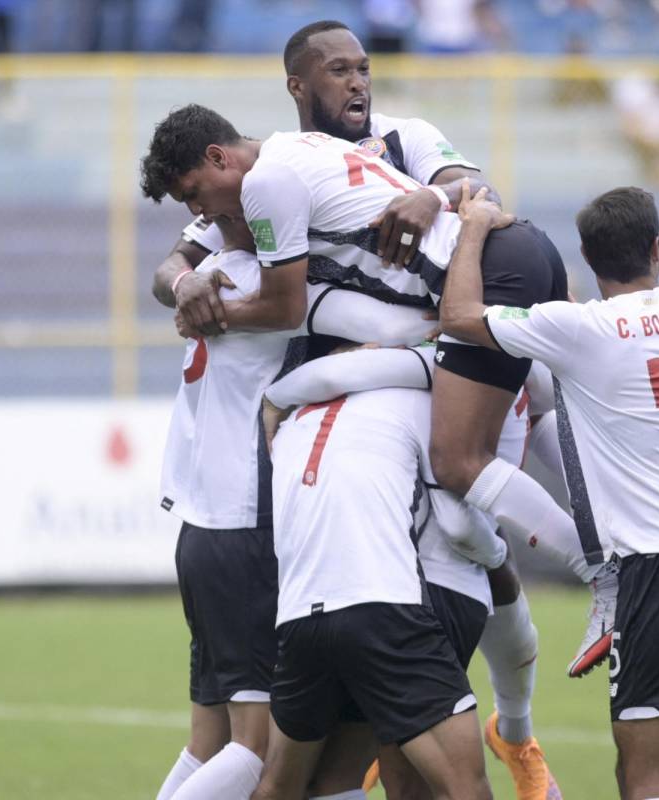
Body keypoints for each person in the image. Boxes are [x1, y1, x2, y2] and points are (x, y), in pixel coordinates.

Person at [141, 34, 574, 787]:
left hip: (434, 327)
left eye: (363, 69)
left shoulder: (399, 140)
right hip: (335, 438)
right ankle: (560, 625)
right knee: (464, 516)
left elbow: (486, 201)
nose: (357, 84)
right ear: (297, 86)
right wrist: (185, 286)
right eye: (339, 71)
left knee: (483, 475)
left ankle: (533, 700)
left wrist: (432, 197)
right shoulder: (257, 197)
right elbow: (185, 256)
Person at [439, 182, 659, 800]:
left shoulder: (579, 329)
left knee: (641, 777)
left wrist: (472, 227)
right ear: (657, 248)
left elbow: (457, 316)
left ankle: (596, 574)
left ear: (588, 261)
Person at [151, 216, 434, 800]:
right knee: (255, 755)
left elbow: (168, 270)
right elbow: (393, 324)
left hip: (204, 529)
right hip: (249, 525)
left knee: (210, 745)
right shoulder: (277, 290)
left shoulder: (207, 275)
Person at [253, 377, 494, 800]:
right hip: (382, 608)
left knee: (284, 786)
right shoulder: (414, 399)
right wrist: (499, 551)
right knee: (464, 788)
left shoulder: (291, 421)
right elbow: (457, 520)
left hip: (299, 620)